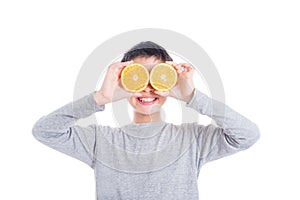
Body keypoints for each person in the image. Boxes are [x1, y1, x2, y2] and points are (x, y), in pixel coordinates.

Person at [32, 41, 260, 199]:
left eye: (157, 76)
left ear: (169, 81)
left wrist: (191, 97)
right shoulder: (100, 140)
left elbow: (247, 134)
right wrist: (101, 97)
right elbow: (44, 130)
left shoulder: (193, 139)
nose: (148, 88)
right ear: (123, 80)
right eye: (138, 77)